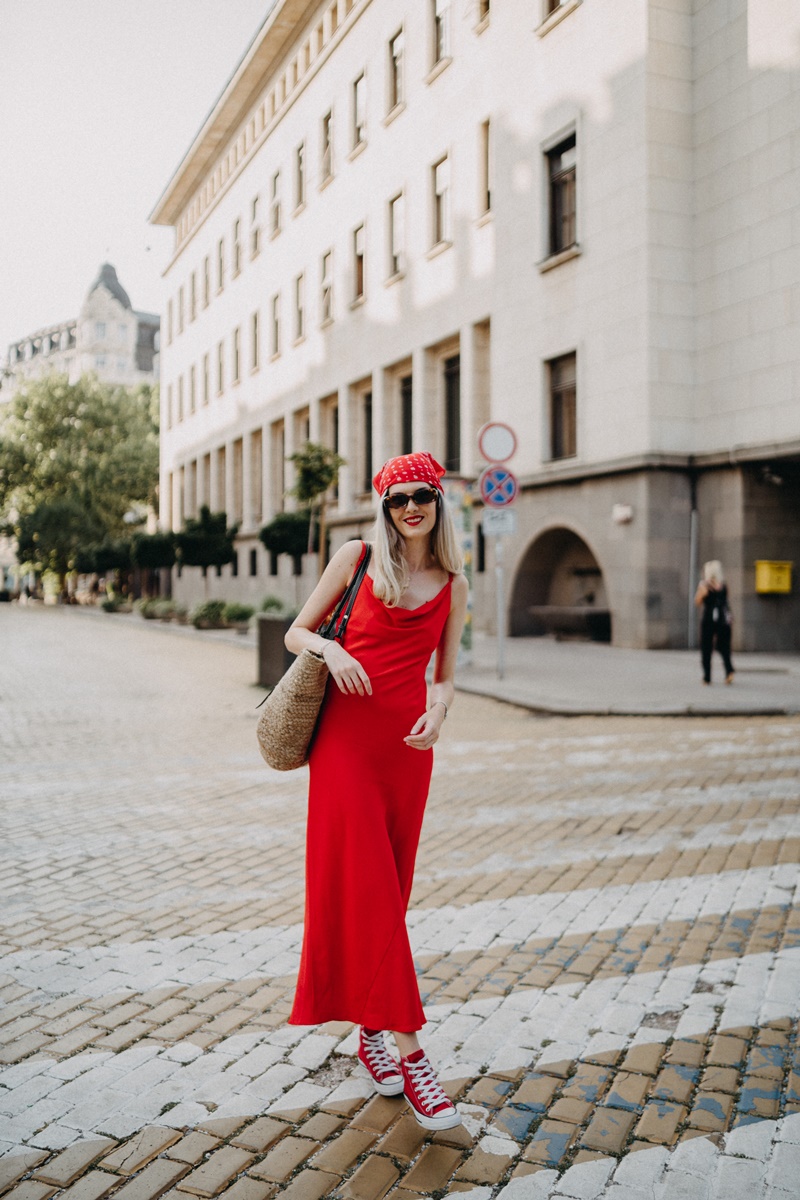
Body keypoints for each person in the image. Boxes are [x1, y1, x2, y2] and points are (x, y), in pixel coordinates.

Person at [284, 451, 469, 1130]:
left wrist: (440, 710)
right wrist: (331, 650)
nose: (410, 507)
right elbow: (296, 629)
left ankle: (370, 1030)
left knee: (386, 896)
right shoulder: (357, 557)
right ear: (383, 507)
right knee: (370, 893)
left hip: (407, 753)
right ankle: (414, 1052)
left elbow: (446, 674)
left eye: (421, 495)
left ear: (438, 502)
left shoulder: (453, 581)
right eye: (397, 498)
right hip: (345, 751)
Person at [694, 560, 734, 685]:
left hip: (709, 619)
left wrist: (704, 592)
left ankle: (707, 677)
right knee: (723, 646)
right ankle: (729, 671)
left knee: (707, 647)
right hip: (723, 619)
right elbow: (726, 599)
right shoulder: (723, 585)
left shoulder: (705, 585)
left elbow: (698, 602)